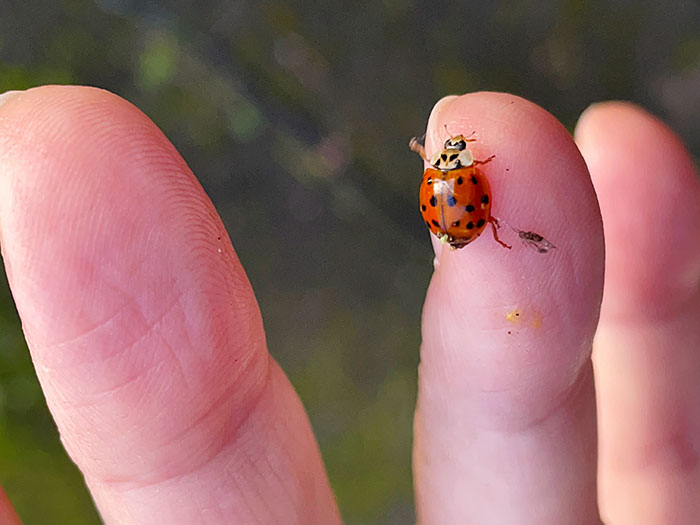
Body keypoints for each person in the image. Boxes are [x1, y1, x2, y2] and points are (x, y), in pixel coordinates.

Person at [0, 87, 698, 524]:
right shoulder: (461, 182)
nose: (453, 154)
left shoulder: (454, 182)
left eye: (450, 155)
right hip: (471, 230)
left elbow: (459, 195)